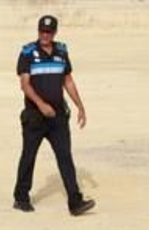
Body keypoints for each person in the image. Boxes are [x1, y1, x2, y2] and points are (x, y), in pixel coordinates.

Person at [12, 14, 96, 215]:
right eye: (42, 31)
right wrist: (41, 105)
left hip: (58, 117)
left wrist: (80, 106)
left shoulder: (62, 51)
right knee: (29, 156)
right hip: (35, 116)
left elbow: (68, 81)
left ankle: (75, 202)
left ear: (55, 32)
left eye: (49, 32)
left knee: (65, 157)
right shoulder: (28, 52)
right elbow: (25, 85)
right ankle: (21, 198)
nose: (45, 35)